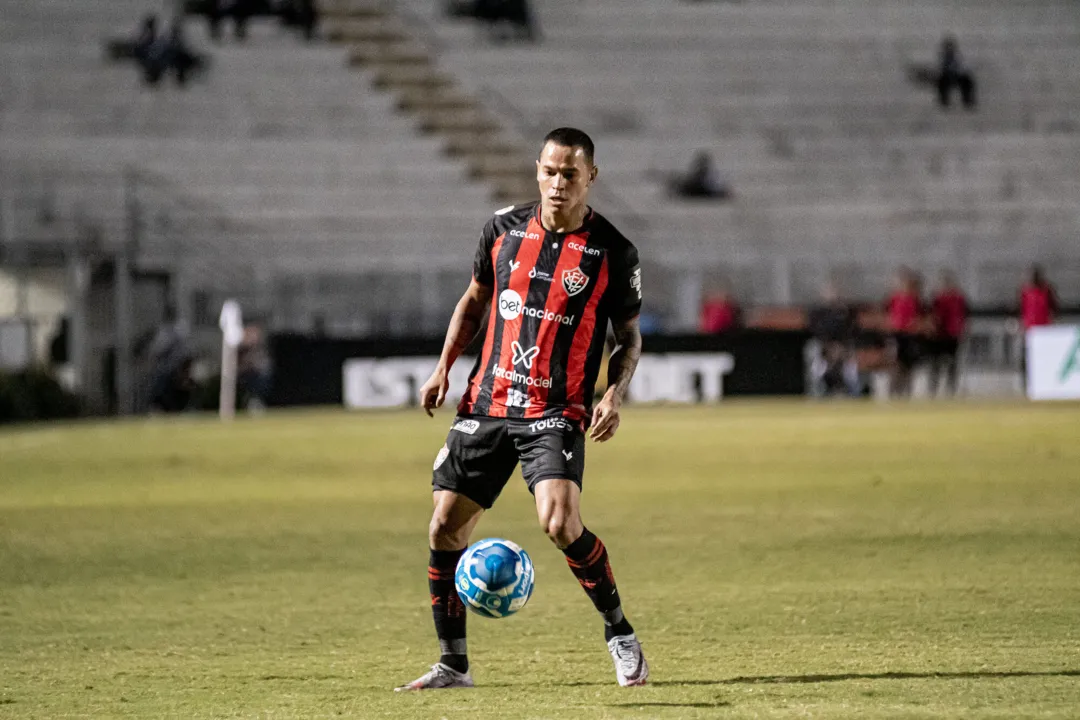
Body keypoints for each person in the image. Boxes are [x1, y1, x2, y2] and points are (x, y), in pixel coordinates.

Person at [396, 128, 647, 691]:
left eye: (571, 175)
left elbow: (628, 336)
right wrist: (444, 367)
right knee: (443, 529)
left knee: (559, 523)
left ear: (591, 178)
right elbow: (475, 300)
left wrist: (613, 392)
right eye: (551, 172)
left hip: (555, 408)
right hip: (487, 401)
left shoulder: (614, 251)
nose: (559, 184)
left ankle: (619, 634)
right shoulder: (502, 229)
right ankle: (452, 665)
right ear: (537, 169)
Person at [807, 283, 861, 397]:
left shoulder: (845, 312)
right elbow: (816, 330)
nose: (832, 296)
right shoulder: (818, 312)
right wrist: (829, 347)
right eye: (829, 293)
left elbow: (852, 330)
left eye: (835, 293)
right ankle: (817, 390)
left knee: (851, 364)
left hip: (843, 347)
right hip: (824, 347)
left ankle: (853, 392)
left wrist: (841, 347)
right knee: (815, 356)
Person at [886, 267, 927, 397]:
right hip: (897, 335)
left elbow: (920, 316)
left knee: (909, 366)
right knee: (896, 365)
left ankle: (906, 393)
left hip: (911, 335)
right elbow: (888, 314)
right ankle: (893, 392)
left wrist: (916, 324)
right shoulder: (894, 298)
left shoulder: (915, 300)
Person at [929, 270, 968, 396]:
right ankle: (933, 389)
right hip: (939, 334)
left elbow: (962, 315)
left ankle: (951, 389)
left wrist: (961, 329)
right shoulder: (937, 299)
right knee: (936, 363)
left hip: (952, 334)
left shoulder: (958, 298)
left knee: (952, 363)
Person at [937, 35, 977, 110]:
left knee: (967, 80)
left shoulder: (957, 56)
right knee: (942, 81)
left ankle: (967, 100)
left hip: (957, 76)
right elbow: (941, 68)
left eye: (951, 47)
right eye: (947, 47)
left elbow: (961, 67)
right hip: (946, 76)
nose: (949, 49)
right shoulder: (942, 57)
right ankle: (944, 101)